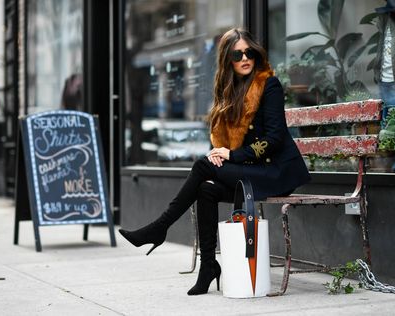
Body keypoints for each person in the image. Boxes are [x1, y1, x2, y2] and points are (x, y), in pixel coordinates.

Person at [119, 28, 311, 296]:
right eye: (237, 54)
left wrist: (231, 155)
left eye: (249, 52)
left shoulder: (268, 85)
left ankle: (159, 227)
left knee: (201, 167)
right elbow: (226, 141)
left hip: (275, 172)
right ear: (227, 60)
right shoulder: (230, 92)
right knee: (205, 188)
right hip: (252, 173)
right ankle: (208, 266)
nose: (245, 58)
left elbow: (275, 138)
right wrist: (220, 153)